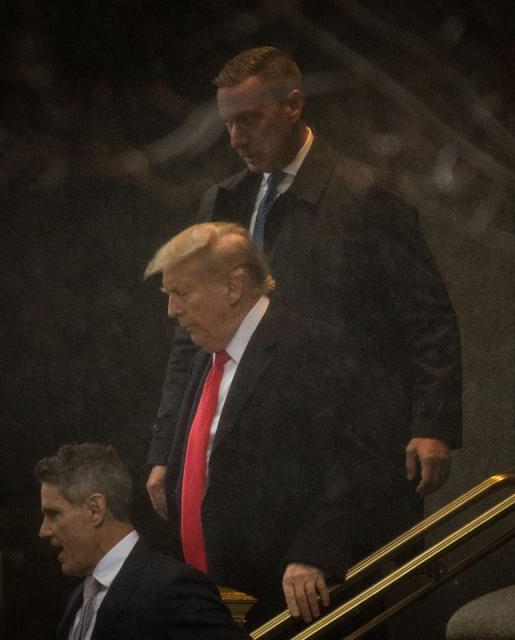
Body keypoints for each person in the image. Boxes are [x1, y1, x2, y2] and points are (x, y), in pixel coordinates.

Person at [146, 46, 462, 541]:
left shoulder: (366, 195)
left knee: (337, 602)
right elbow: (191, 331)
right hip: (245, 442)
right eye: (227, 124)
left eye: (249, 120)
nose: (236, 139)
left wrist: (433, 424)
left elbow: (427, 317)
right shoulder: (224, 200)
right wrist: (168, 447)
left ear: (293, 105)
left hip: (344, 442)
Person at [145, 222, 387, 626]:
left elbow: (361, 465)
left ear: (234, 287)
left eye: (181, 293)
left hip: (290, 601)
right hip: (213, 598)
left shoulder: (312, 348)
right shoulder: (205, 355)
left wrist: (314, 552)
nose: (172, 310)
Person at [35, 442, 247, 640]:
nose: (43, 531)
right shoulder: (79, 598)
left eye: (53, 514)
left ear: (95, 509)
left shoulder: (174, 589)